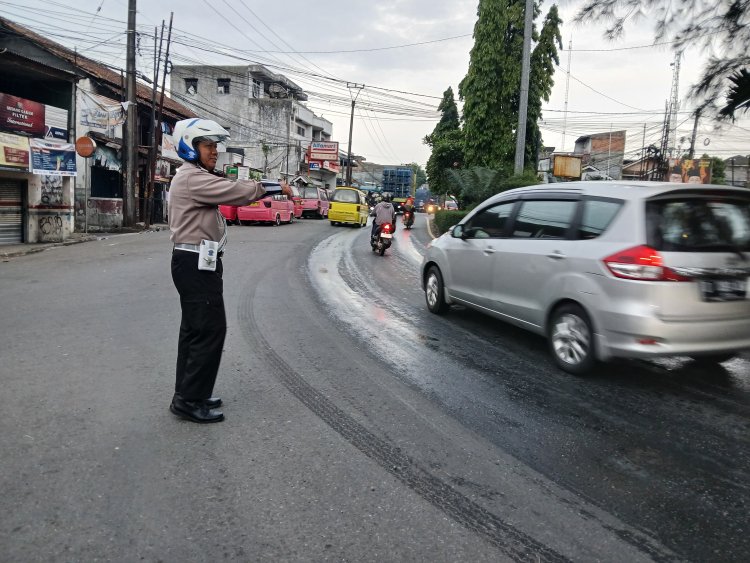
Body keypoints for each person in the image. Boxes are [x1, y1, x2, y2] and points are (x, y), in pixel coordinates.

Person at [168, 118, 293, 423]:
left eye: (215, 146)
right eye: (207, 145)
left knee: (195, 331)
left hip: (198, 261)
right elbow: (237, 192)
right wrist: (274, 185)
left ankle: (187, 394)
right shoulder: (191, 178)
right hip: (194, 262)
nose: (214, 152)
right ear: (189, 146)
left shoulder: (195, 175)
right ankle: (188, 400)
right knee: (210, 330)